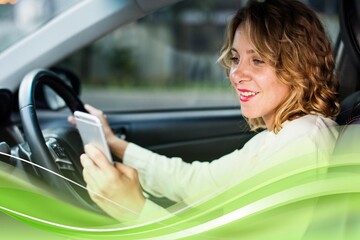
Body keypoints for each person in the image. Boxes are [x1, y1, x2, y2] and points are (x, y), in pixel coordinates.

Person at [74, 0, 340, 223]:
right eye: (236, 58)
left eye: (257, 60)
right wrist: (115, 144)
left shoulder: (303, 143)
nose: (237, 73)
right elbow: (196, 182)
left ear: (300, 67)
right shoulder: (279, 137)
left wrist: (134, 208)